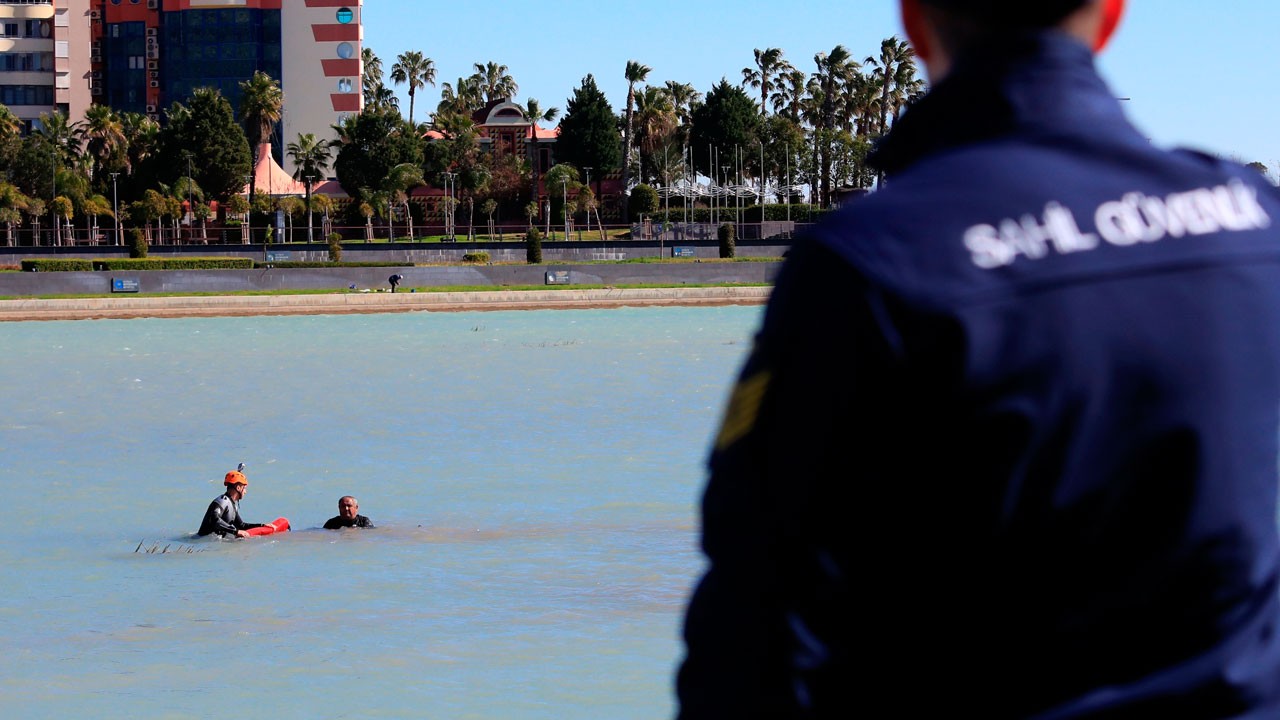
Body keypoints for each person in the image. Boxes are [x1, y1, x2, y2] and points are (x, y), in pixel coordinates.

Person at [676, 1, 1280, 717]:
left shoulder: (873, 261)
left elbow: (756, 625)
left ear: (915, 21)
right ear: (1112, 15)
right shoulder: (1254, 221)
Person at [197, 470, 271, 538]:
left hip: (213, 542)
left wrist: (262, 525)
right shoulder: (222, 501)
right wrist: (235, 532)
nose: (245, 492)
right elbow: (214, 519)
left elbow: (242, 526)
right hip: (201, 542)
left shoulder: (232, 506)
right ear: (238, 488)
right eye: (244, 488)